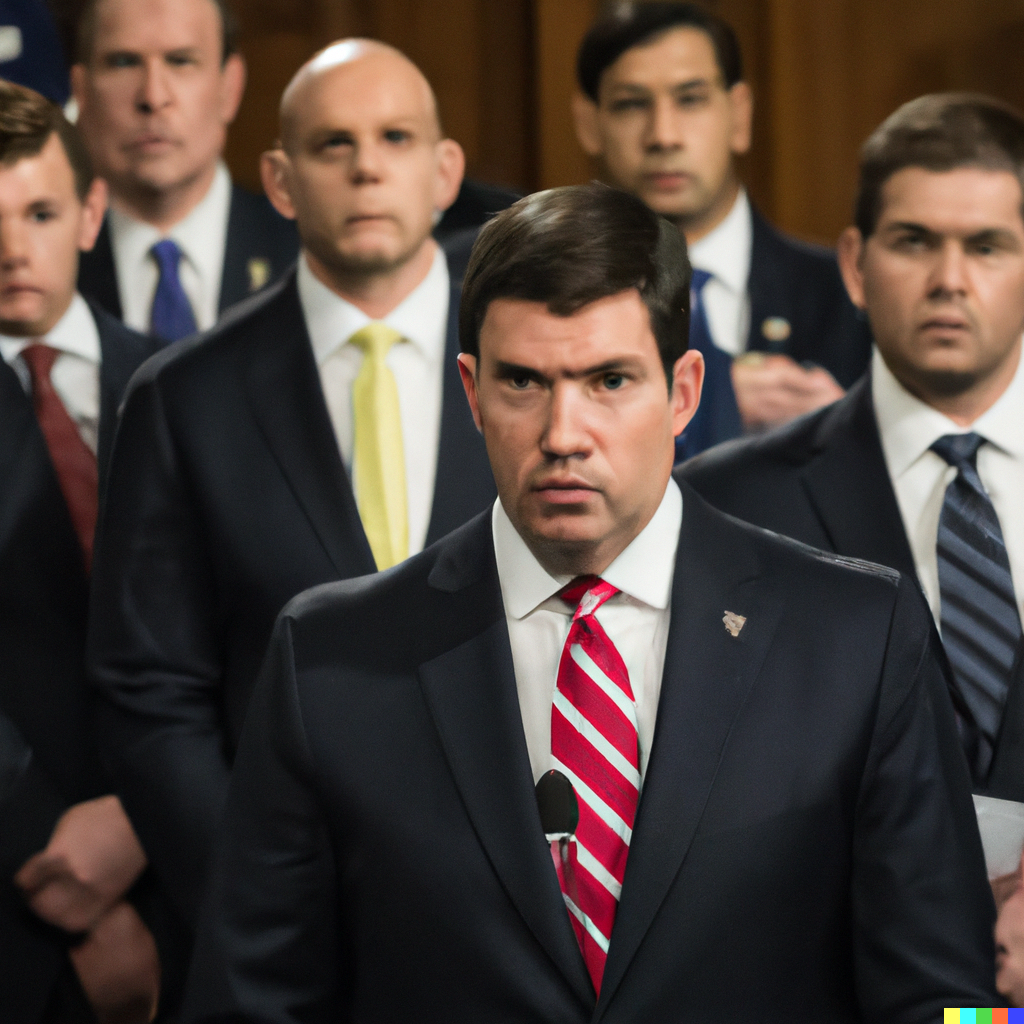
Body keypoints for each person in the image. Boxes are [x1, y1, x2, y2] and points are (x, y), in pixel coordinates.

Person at [182, 182, 996, 1023]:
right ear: (471, 391)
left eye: (609, 380)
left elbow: (953, 999)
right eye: (525, 382)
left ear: (683, 393)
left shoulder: (859, 636)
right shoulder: (329, 658)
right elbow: (245, 1004)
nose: (564, 434)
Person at [86, 38, 495, 994]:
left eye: (395, 137)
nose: (365, 166)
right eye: (332, 144)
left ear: (445, 173)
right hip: (275, 948)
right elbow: (149, 690)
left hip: (532, 926)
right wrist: (260, 890)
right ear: (278, 179)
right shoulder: (182, 397)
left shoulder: (541, 372)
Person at [678, 92, 1024, 1004]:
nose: (950, 278)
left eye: (986, 245)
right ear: (855, 265)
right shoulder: (720, 504)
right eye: (914, 241)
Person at [0, 80, 162, 1024]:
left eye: (42, 211)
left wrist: (151, 824)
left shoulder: (185, 384)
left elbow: (245, 630)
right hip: (20, 892)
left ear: (92, 213)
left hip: (198, 874)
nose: (14, 247)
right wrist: (62, 871)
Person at [573, 1, 869, 454]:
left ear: (740, 114)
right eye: (632, 104)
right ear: (589, 123)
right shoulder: (551, 301)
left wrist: (849, 428)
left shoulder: (848, 298)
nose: (664, 135)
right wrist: (718, 401)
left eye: (690, 99)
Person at [70, 0, 298, 342]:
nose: (153, 96)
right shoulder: (42, 269)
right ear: (82, 93)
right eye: (123, 62)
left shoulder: (306, 255)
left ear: (230, 87)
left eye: (180, 61)